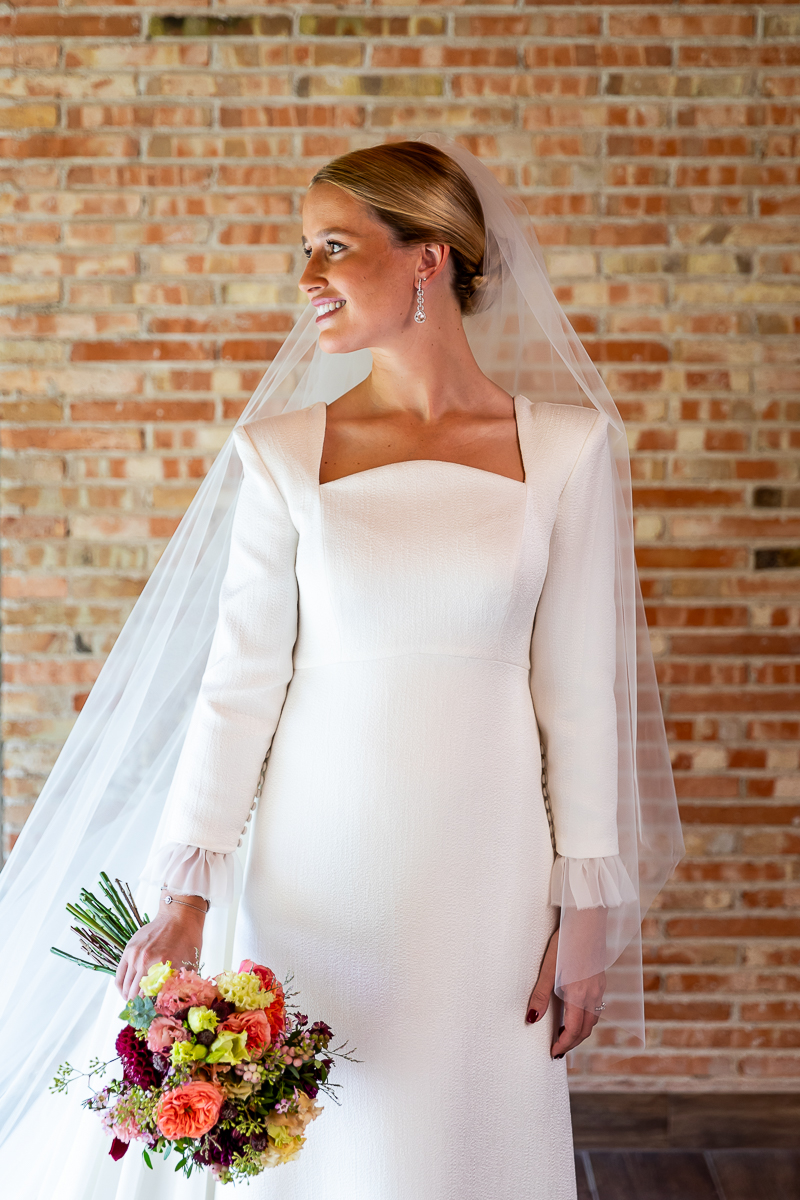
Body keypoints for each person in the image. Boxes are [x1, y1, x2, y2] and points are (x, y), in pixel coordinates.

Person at [0, 136, 683, 1200]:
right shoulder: (281, 453)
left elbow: (578, 698)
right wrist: (187, 890)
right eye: (303, 249)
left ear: (428, 258)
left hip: (487, 871)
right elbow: (239, 689)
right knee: (331, 1145)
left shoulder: (567, 449)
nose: (305, 277)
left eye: (332, 246)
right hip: (318, 870)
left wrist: (584, 909)